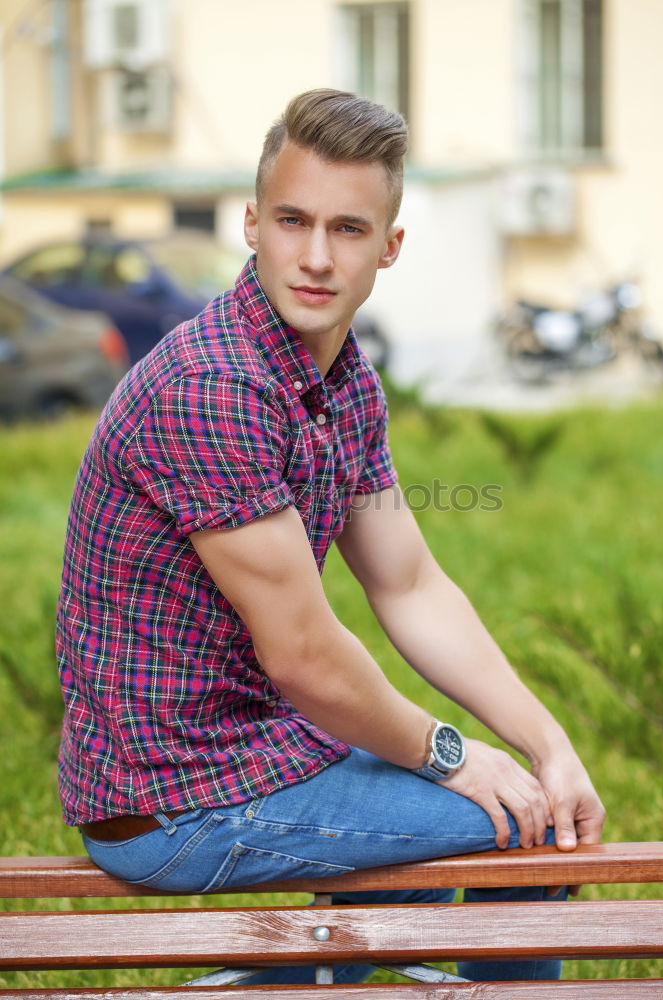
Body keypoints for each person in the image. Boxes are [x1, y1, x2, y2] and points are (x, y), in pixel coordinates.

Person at [56, 89, 605, 985]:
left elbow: (409, 584)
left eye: (349, 229)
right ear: (250, 223)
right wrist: (457, 755)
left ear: (389, 247)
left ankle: (294, 984)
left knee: (466, 825)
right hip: (171, 804)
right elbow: (306, 657)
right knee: (523, 825)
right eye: (292, 220)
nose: (315, 256)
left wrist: (550, 744)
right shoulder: (213, 390)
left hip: (260, 756)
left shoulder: (343, 386)